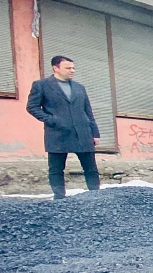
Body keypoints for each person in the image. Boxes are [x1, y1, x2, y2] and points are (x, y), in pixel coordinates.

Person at [26, 56, 101, 200]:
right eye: (68, 68)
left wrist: (95, 132)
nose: (72, 71)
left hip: (83, 132)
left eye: (73, 68)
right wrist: (51, 120)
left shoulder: (80, 88)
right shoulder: (41, 85)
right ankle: (59, 198)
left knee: (91, 168)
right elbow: (32, 107)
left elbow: (88, 111)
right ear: (55, 68)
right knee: (56, 169)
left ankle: (95, 195)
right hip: (57, 132)